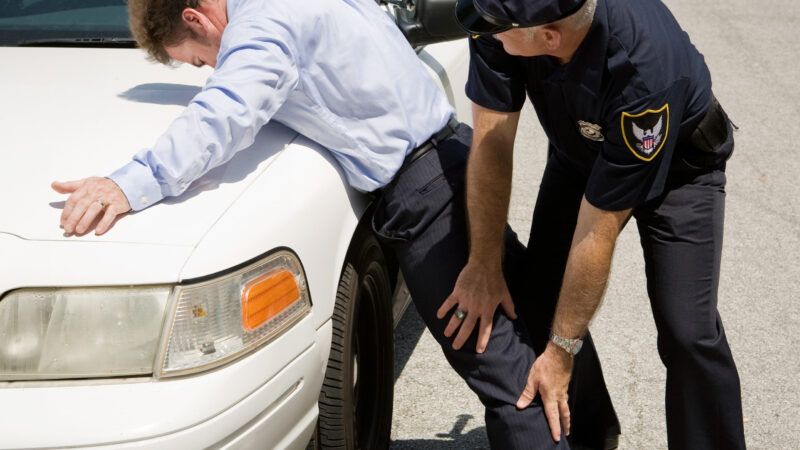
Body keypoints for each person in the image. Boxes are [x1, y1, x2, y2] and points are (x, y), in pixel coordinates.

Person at [51, 0, 619, 447]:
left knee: (498, 370)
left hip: (422, 196)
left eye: (201, 59)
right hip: (456, 161)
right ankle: (596, 433)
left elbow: (223, 114)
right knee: (531, 305)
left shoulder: (260, 27)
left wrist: (130, 183)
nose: (209, 68)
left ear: (197, 18)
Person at [452, 0, 746, 448]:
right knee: (542, 291)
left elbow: (598, 231)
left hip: (681, 170)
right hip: (580, 156)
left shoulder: (641, 69)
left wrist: (561, 352)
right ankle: (590, 434)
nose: (488, 34)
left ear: (549, 37)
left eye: (500, 29)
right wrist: (483, 263)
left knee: (688, 331)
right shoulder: (505, 22)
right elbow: (491, 146)